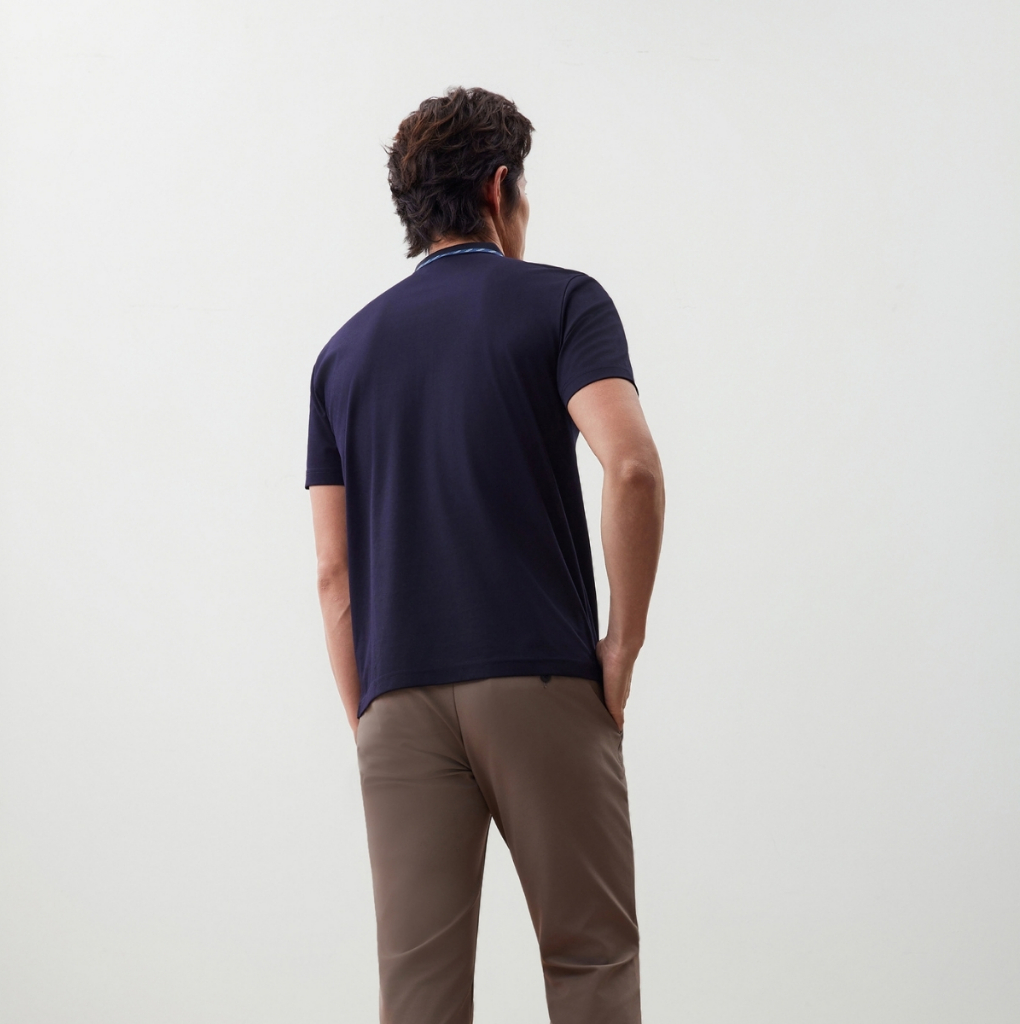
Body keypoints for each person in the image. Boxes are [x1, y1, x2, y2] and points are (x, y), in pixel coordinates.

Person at [306, 86, 665, 1024]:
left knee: (417, 996)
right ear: (500, 189)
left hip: (397, 695)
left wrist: (374, 717)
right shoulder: (562, 301)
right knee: (590, 962)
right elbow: (630, 468)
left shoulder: (341, 357)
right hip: (539, 676)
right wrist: (622, 645)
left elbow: (334, 574)